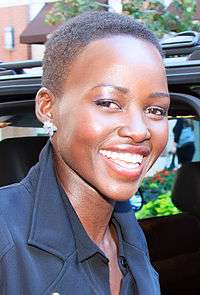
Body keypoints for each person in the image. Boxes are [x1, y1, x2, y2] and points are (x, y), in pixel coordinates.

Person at [0, 11, 170, 295]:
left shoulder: (129, 237)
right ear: (47, 107)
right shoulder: (5, 235)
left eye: (155, 110)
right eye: (108, 102)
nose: (140, 130)